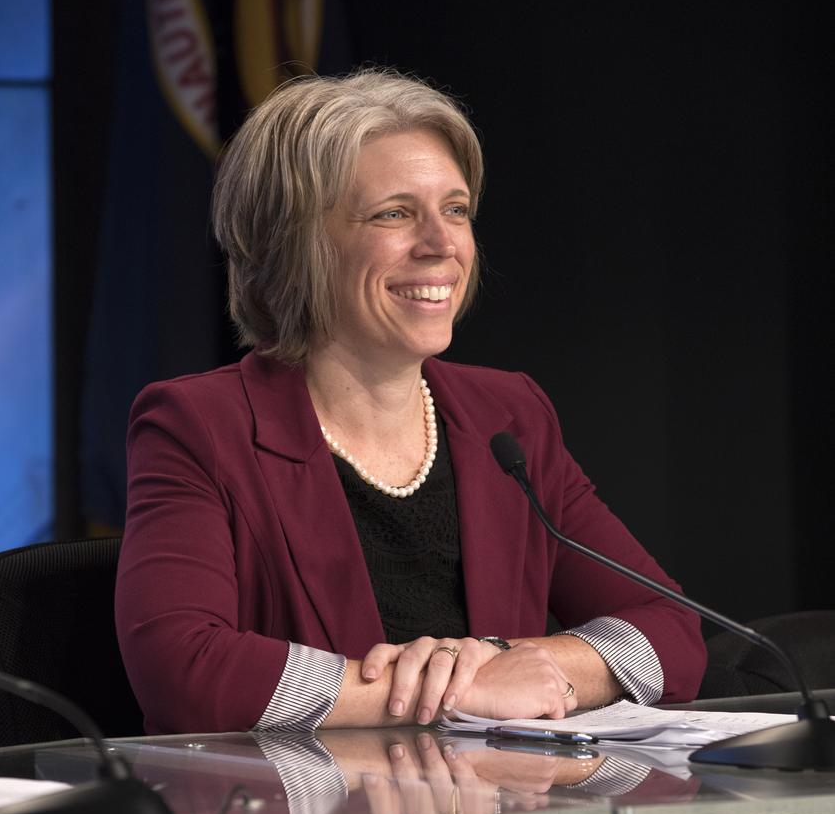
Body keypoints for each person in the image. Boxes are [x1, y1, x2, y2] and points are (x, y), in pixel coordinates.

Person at [115, 68, 706, 738]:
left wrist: (520, 662)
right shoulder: (201, 426)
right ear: (294, 241)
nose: (441, 245)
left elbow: (671, 632)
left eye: (454, 210)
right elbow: (181, 671)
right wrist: (459, 693)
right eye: (393, 213)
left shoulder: (506, 415)